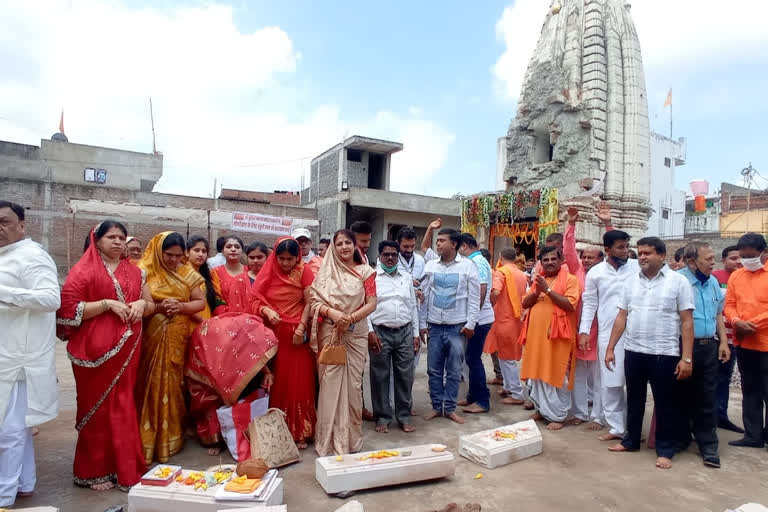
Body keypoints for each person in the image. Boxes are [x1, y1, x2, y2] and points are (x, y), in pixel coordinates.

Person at [57, 220, 151, 490]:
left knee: (123, 407)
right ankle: (93, 471)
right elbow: (68, 311)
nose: (118, 242)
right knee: (97, 411)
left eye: (121, 237)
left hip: (128, 350)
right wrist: (106, 304)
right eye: (111, 237)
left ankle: (124, 467)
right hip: (93, 354)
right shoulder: (82, 271)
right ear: (96, 239)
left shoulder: (135, 272)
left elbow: (150, 304)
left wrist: (142, 303)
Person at [605, 237, 694, 470]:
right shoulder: (630, 282)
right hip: (634, 350)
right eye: (640, 252)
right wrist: (610, 347)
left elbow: (686, 322)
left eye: (648, 253)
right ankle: (631, 441)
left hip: (664, 353)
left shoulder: (678, 282)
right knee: (634, 399)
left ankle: (665, 450)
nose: (642, 257)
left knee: (665, 403)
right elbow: (622, 316)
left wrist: (686, 358)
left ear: (662, 255)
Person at [0, 201, 59, 507]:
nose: (0, 228)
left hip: (18, 360)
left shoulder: (32, 256)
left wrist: (4, 293)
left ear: (21, 225)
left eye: (4, 222)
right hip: (4, 354)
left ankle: (3, 495)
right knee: (15, 429)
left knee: (7, 432)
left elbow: (51, 298)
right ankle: (24, 483)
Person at [136, 232, 205, 463]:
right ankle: (145, 440)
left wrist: (181, 306)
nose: (174, 260)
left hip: (178, 337)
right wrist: (158, 308)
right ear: (158, 251)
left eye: (178, 255)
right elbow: (142, 306)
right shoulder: (144, 271)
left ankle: (172, 437)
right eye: (169, 255)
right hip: (150, 337)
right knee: (148, 384)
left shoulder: (187, 273)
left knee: (174, 385)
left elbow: (200, 303)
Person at [309, 229, 377, 456]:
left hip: (355, 334)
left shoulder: (366, 272)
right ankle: (328, 443)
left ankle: (351, 442)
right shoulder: (324, 274)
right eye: (339, 244)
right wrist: (333, 314)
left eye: (348, 242)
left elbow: (372, 302)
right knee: (329, 389)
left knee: (353, 389)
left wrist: (351, 318)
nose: (344, 247)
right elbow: (314, 302)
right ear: (333, 248)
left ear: (355, 245)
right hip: (331, 333)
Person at [251, 237, 317, 449]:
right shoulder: (269, 271)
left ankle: (301, 431)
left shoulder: (304, 270)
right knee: (277, 384)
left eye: (291, 259)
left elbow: (311, 302)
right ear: (275, 257)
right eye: (282, 259)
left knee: (300, 383)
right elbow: (254, 300)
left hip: (297, 337)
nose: (286, 264)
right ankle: (279, 432)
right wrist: (266, 310)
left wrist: (301, 328)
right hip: (273, 335)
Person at [419, 219, 480, 425]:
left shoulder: (467, 266)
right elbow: (424, 295)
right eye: (438, 241)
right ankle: (437, 407)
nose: (438, 244)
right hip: (435, 326)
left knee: (454, 370)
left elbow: (474, 297)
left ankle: (450, 407)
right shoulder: (430, 265)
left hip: (457, 327)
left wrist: (471, 323)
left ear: (453, 244)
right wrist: (421, 323)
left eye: (442, 241)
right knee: (433, 369)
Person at [579, 229, 637, 441]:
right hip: (607, 335)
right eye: (620, 247)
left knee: (633, 383)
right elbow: (590, 303)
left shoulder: (636, 268)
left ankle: (634, 426)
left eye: (626, 246)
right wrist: (584, 331)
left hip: (636, 333)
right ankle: (616, 427)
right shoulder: (596, 273)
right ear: (607, 250)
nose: (625, 251)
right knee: (611, 381)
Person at [678, 242, 730, 467]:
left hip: (709, 347)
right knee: (680, 395)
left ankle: (708, 445)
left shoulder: (713, 283)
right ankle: (679, 438)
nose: (713, 262)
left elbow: (719, 314)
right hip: (683, 346)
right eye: (708, 259)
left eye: (713, 258)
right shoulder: (677, 282)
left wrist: (723, 343)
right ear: (692, 262)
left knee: (707, 396)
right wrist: (685, 356)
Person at [519, 246, 580, 430]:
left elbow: (570, 305)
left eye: (553, 259)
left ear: (561, 260)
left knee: (556, 372)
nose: (550, 262)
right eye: (545, 260)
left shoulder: (570, 280)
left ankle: (558, 415)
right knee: (537, 373)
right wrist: (537, 291)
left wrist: (548, 291)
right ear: (541, 262)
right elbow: (525, 302)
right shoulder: (539, 280)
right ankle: (540, 408)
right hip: (536, 335)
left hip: (557, 337)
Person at [564, 204, 611, 426]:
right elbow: (568, 250)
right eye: (584, 256)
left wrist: (607, 223)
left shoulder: (608, 272)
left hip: (602, 331)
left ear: (602, 258)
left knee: (600, 376)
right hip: (580, 331)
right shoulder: (577, 271)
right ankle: (580, 412)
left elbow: (615, 247)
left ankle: (599, 416)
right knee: (578, 374)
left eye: (592, 257)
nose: (586, 260)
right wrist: (571, 224)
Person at [367, 241, 420, 434]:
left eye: (394, 255)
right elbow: (365, 308)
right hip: (380, 331)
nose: (390, 257)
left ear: (398, 256)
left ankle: (404, 416)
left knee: (405, 376)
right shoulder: (372, 277)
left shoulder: (405, 277)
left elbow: (412, 306)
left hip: (405, 331)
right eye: (386, 254)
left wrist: (415, 333)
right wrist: (370, 332)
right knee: (380, 376)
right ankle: (383, 416)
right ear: (380, 256)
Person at [724, 233, 768, 448]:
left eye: (751, 256)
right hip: (744, 344)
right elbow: (729, 304)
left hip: (765, 343)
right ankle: (753, 436)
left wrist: (751, 324)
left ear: (763, 253)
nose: (746, 260)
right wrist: (735, 321)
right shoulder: (737, 276)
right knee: (750, 391)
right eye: (743, 256)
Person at [484, 248, 528, 405]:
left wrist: (488, 303)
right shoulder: (522, 274)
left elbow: (495, 291)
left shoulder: (501, 272)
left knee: (507, 358)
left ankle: (517, 394)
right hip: (516, 319)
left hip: (504, 319)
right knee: (504, 356)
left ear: (500, 258)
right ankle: (509, 387)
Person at [457, 233, 493, 414]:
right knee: (471, 359)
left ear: (464, 246)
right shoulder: (477, 261)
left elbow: (482, 288)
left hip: (480, 319)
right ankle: (473, 395)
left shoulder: (477, 262)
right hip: (480, 318)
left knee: (473, 359)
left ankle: (482, 400)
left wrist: (473, 318)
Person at [711, 245, 744, 433]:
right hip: (717, 337)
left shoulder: (746, 278)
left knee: (725, 378)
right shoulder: (715, 278)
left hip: (737, 338)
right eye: (733, 258)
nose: (737, 261)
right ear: (723, 260)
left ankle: (721, 415)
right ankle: (708, 416)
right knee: (712, 377)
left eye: (740, 258)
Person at [185, 236, 224, 321]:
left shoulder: (205, 274)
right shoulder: (183, 274)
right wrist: (202, 320)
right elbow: (183, 302)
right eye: (196, 250)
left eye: (204, 251)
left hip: (205, 320)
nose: (201, 254)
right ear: (187, 253)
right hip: (190, 322)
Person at [213, 236, 250, 313]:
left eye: (237, 247)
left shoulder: (250, 272)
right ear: (222, 251)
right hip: (223, 318)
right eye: (229, 247)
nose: (233, 249)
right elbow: (216, 299)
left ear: (242, 251)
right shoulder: (215, 272)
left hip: (248, 318)